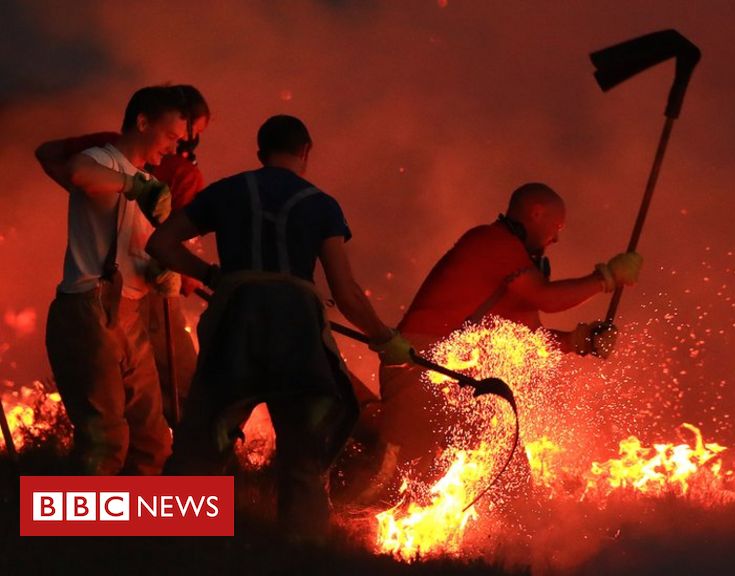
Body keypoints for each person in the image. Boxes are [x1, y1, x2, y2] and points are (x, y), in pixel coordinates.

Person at [147, 114, 412, 538]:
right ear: (306, 152)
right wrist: (385, 339)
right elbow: (345, 291)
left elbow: (160, 243)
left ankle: (172, 548)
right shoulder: (321, 205)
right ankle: (300, 558)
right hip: (298, 336)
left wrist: (214, 276)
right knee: (303, 460)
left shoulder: (229, 191)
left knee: (199, 448)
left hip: (235, 327)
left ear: (260, 153)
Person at [362, 182, 642, 500]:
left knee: (504, 458)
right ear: (536, 213)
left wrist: (581, 341)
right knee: (393, 475)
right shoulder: (492, 242)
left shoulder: (516, 266)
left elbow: (531, 335)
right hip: (420, 364)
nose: (558, 238)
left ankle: (512, 539)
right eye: (557, 226)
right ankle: (338, 522)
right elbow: (546, 298)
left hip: (451, 377)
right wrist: (605, 278)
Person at [36, 85, 211, 427]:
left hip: (134, 291)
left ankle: (158, 473)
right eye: (185, 134)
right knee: (182, 393)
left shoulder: (130, 162)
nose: (184, 144)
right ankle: (197, 469)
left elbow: (47, 154)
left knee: (144, 427)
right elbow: (77, 172)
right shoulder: (169, 172)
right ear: (147, 123)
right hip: (128, 299)